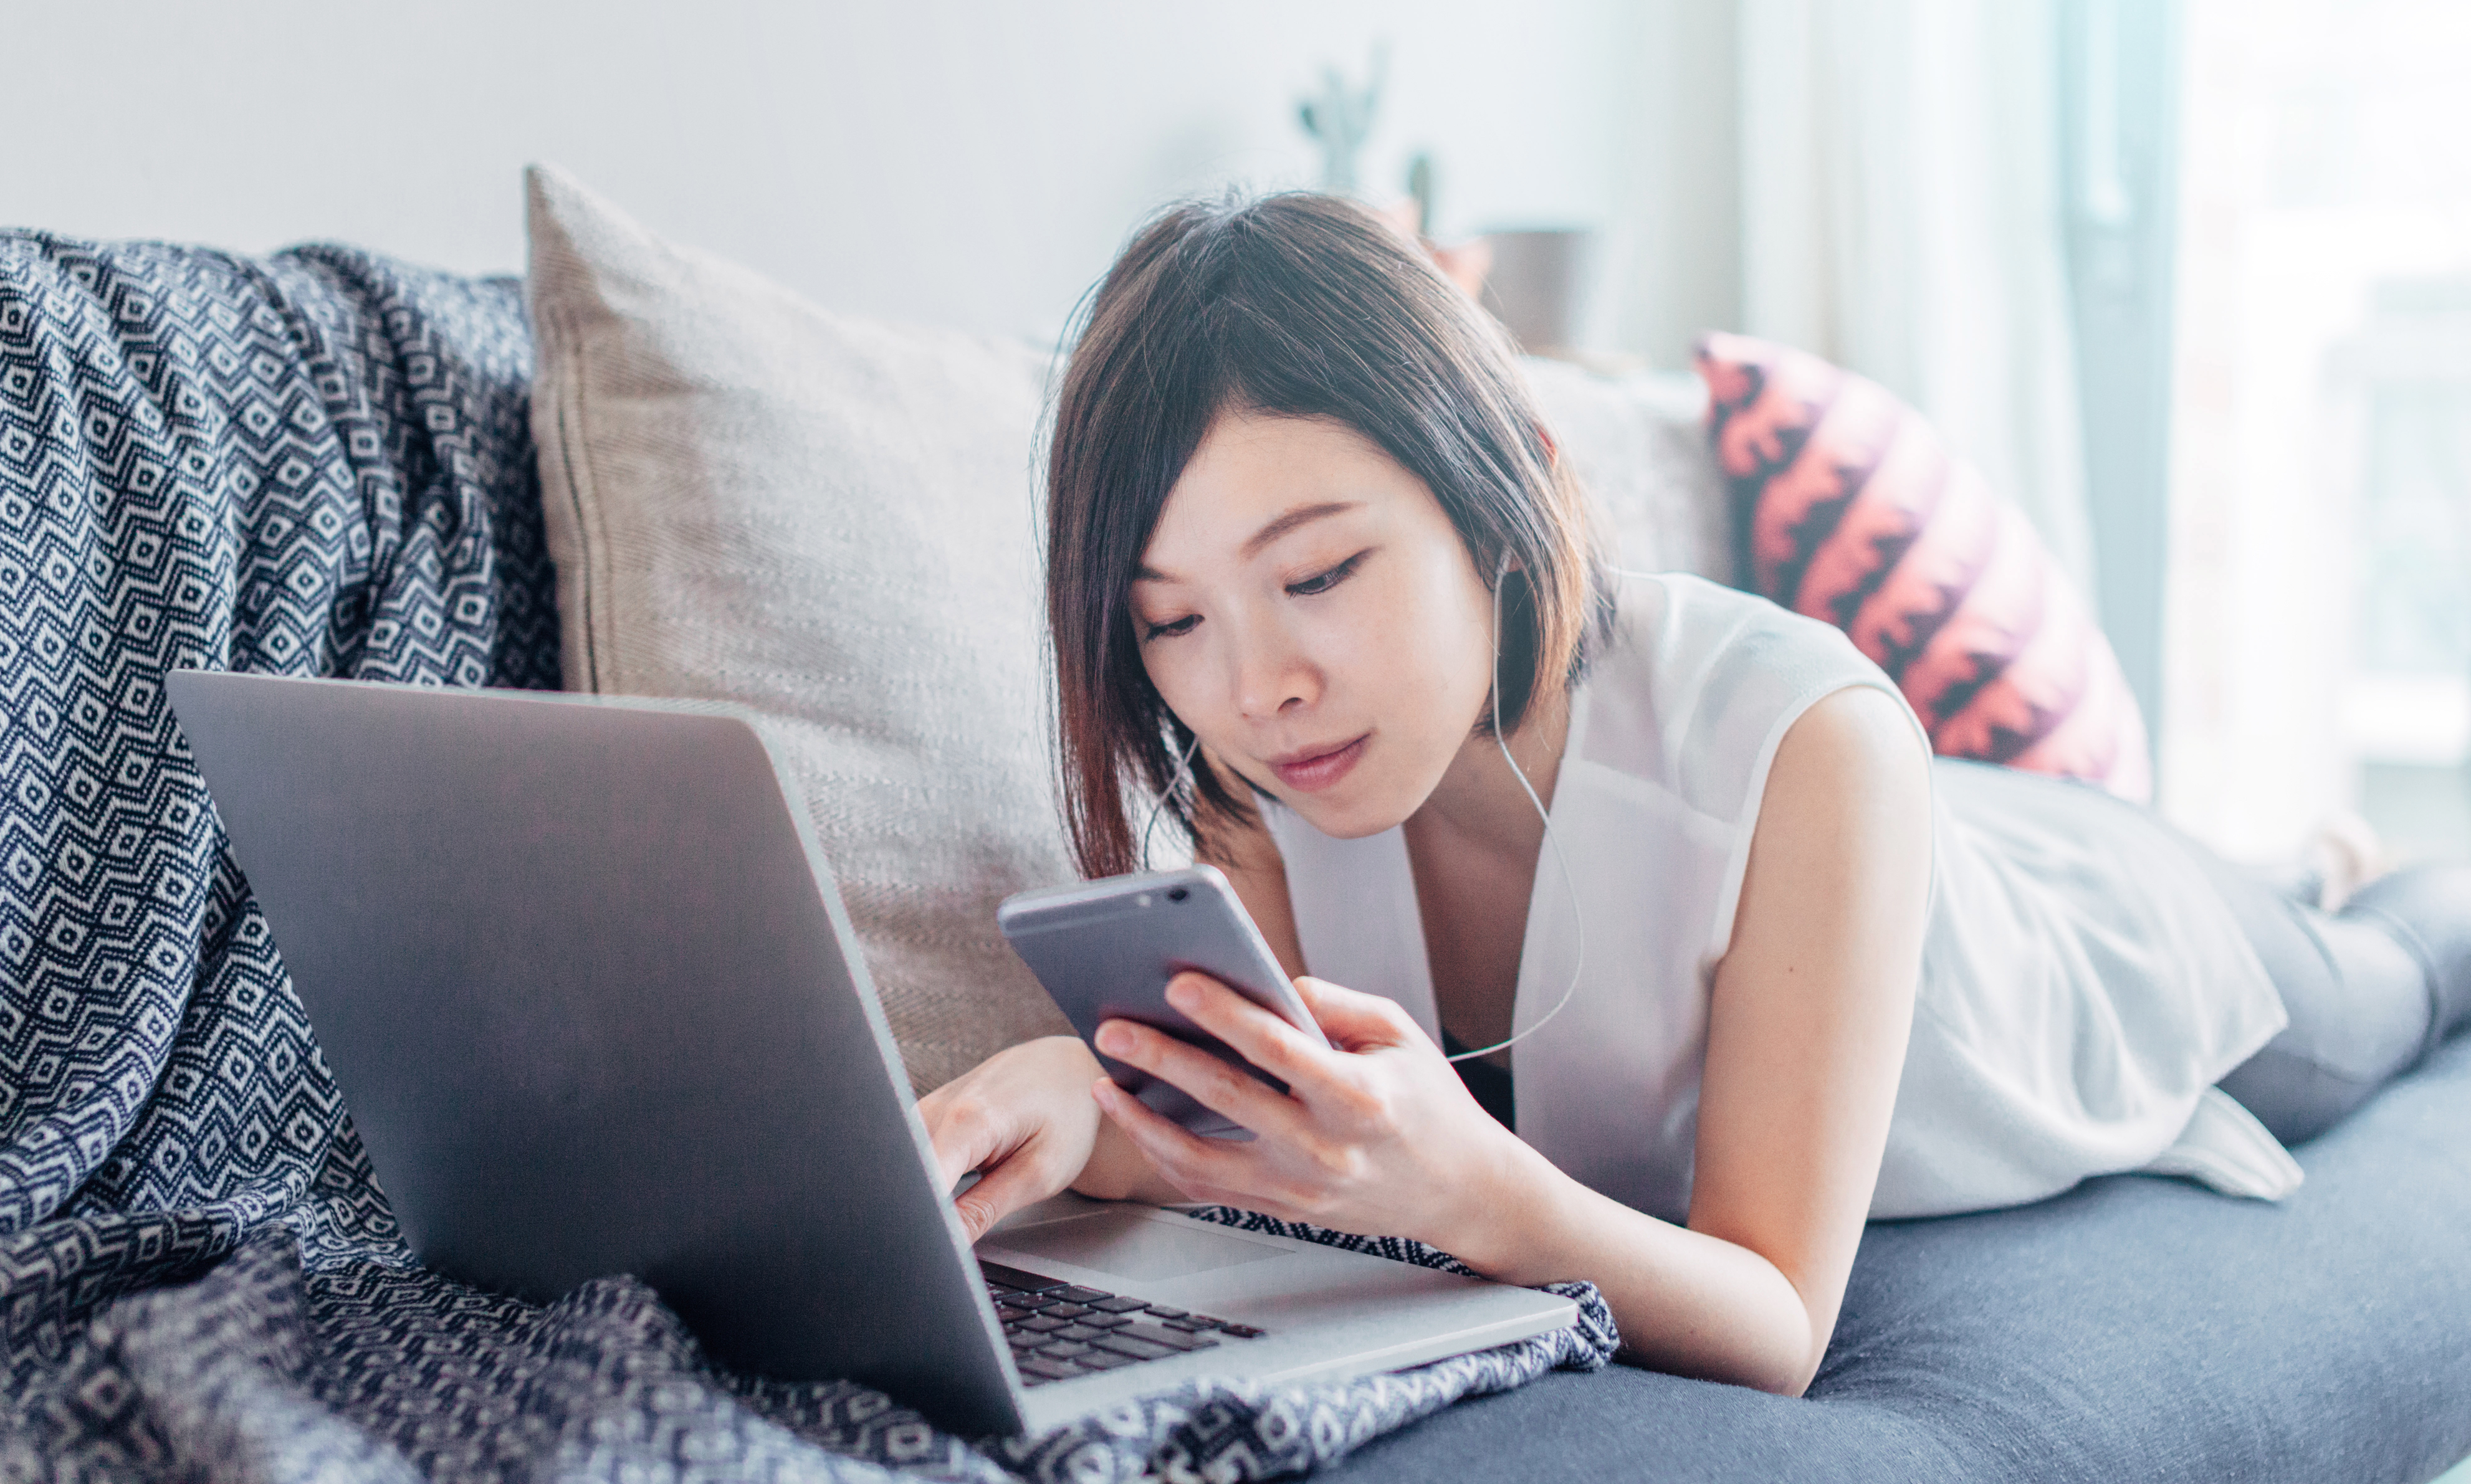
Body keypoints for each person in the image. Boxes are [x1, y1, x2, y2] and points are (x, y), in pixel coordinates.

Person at [919, 193, 2471, 1397]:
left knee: (2388, 975)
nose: (1253, 685)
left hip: (2091, 942)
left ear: (1503, 484)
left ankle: (2326, 869)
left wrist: (1478, 1191)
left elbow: (1775, 1320)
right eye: (1171, 619)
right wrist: (1075, 1105)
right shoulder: (1263, 783)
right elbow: (1257, 1126)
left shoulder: (1803, 742)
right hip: (1935, 845)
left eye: (1317, 571)